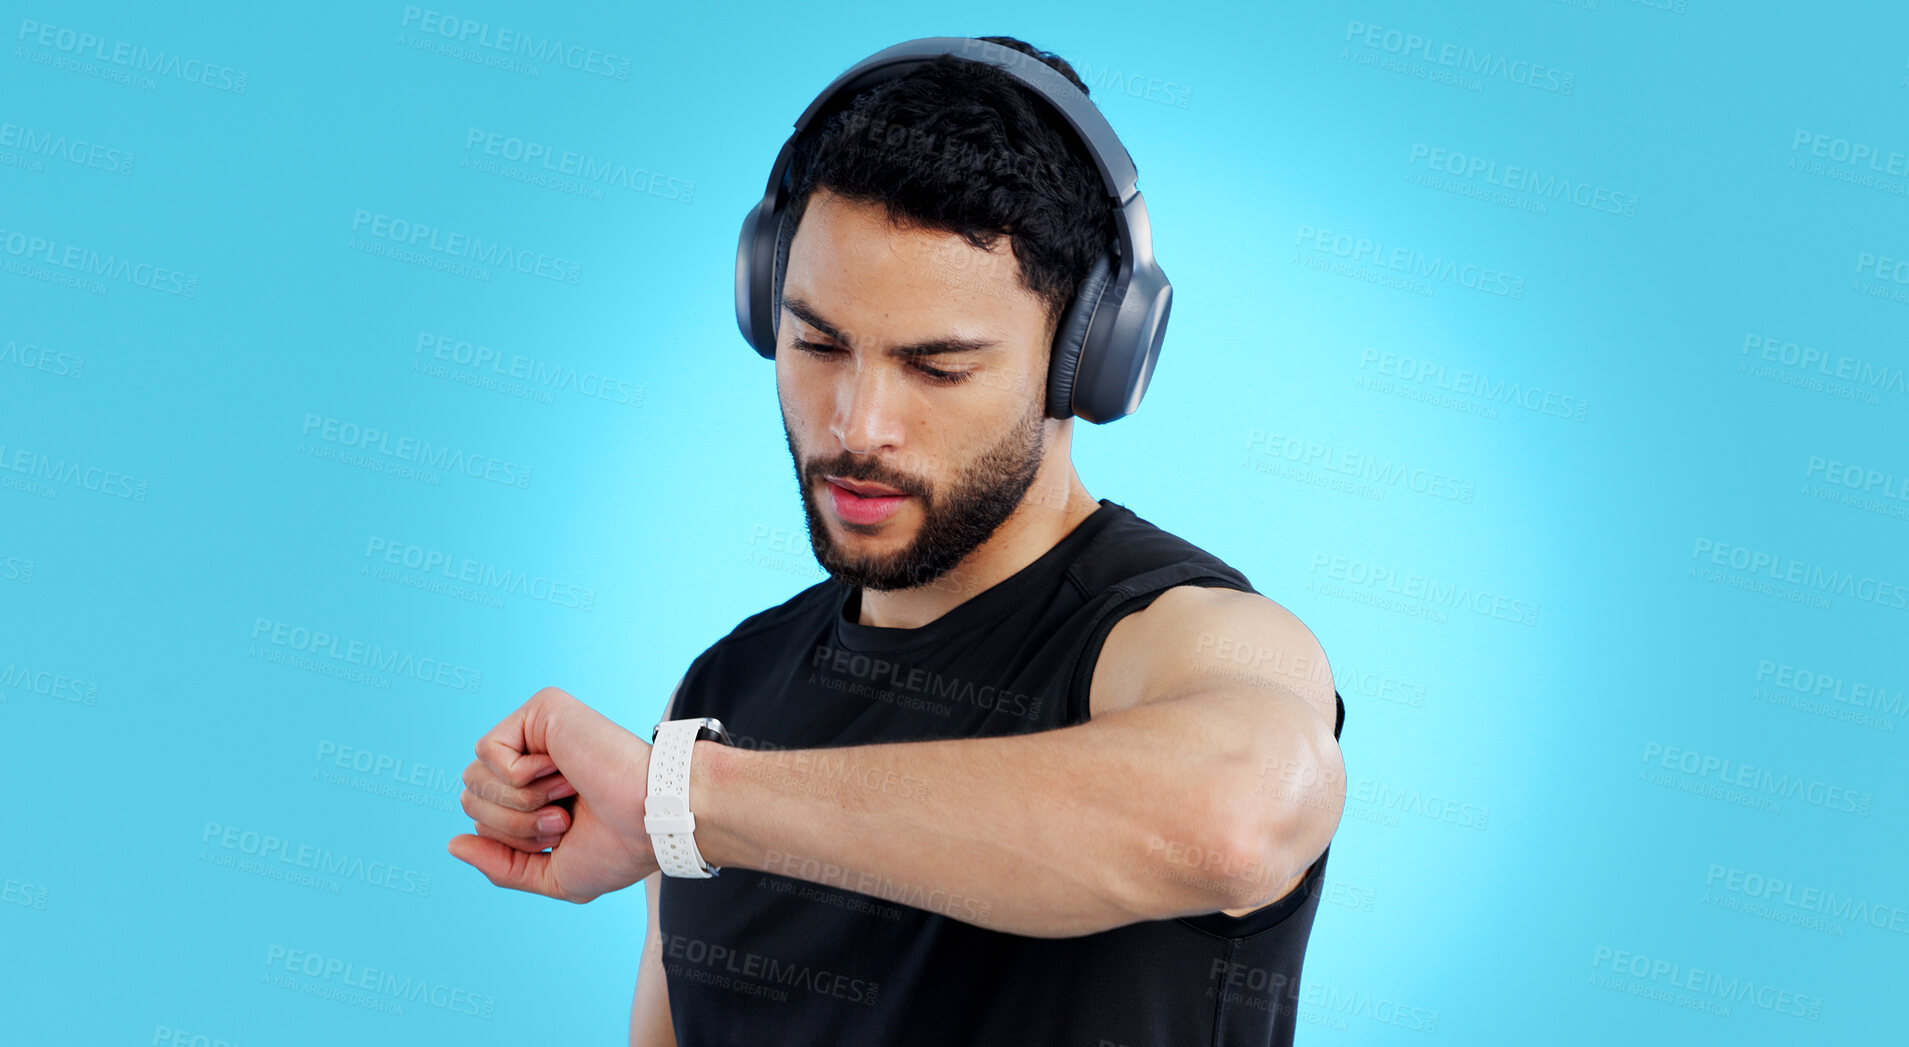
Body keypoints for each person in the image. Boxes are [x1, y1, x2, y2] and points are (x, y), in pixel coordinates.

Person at [448, 35, 1347, 1047]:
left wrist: (686, 798)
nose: (856, 425)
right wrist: (659, 797)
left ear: (1087, 361)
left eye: (937, 367)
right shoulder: (722, 692)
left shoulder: (1180, 641)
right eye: (817, 344)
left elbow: (1234, 817)